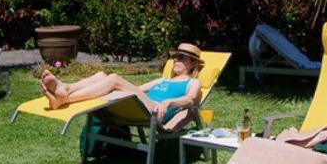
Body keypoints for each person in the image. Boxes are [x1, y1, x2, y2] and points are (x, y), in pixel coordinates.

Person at [40, 43, 204, 123]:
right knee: (102, 75)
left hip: (155, 110)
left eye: (181, 58)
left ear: (192, 64)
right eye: (175, 56)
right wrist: (111, 87)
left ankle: (65, 97)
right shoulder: (163, 79)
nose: (175, 60)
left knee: (114, 78)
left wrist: (169, 101)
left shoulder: (192, 82)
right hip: (141, 105)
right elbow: (138, 89)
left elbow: (190, 100)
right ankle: (67, 89)